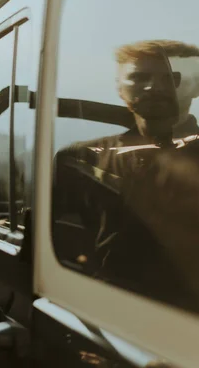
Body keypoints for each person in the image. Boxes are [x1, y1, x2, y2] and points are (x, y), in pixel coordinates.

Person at [53, 40, 199, 311]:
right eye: (139, 77)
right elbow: (55, 247)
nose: (154, 87)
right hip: (107, 321)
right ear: (120, 88)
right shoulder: (81, 159)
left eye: (171, 77)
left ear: (196, 85)